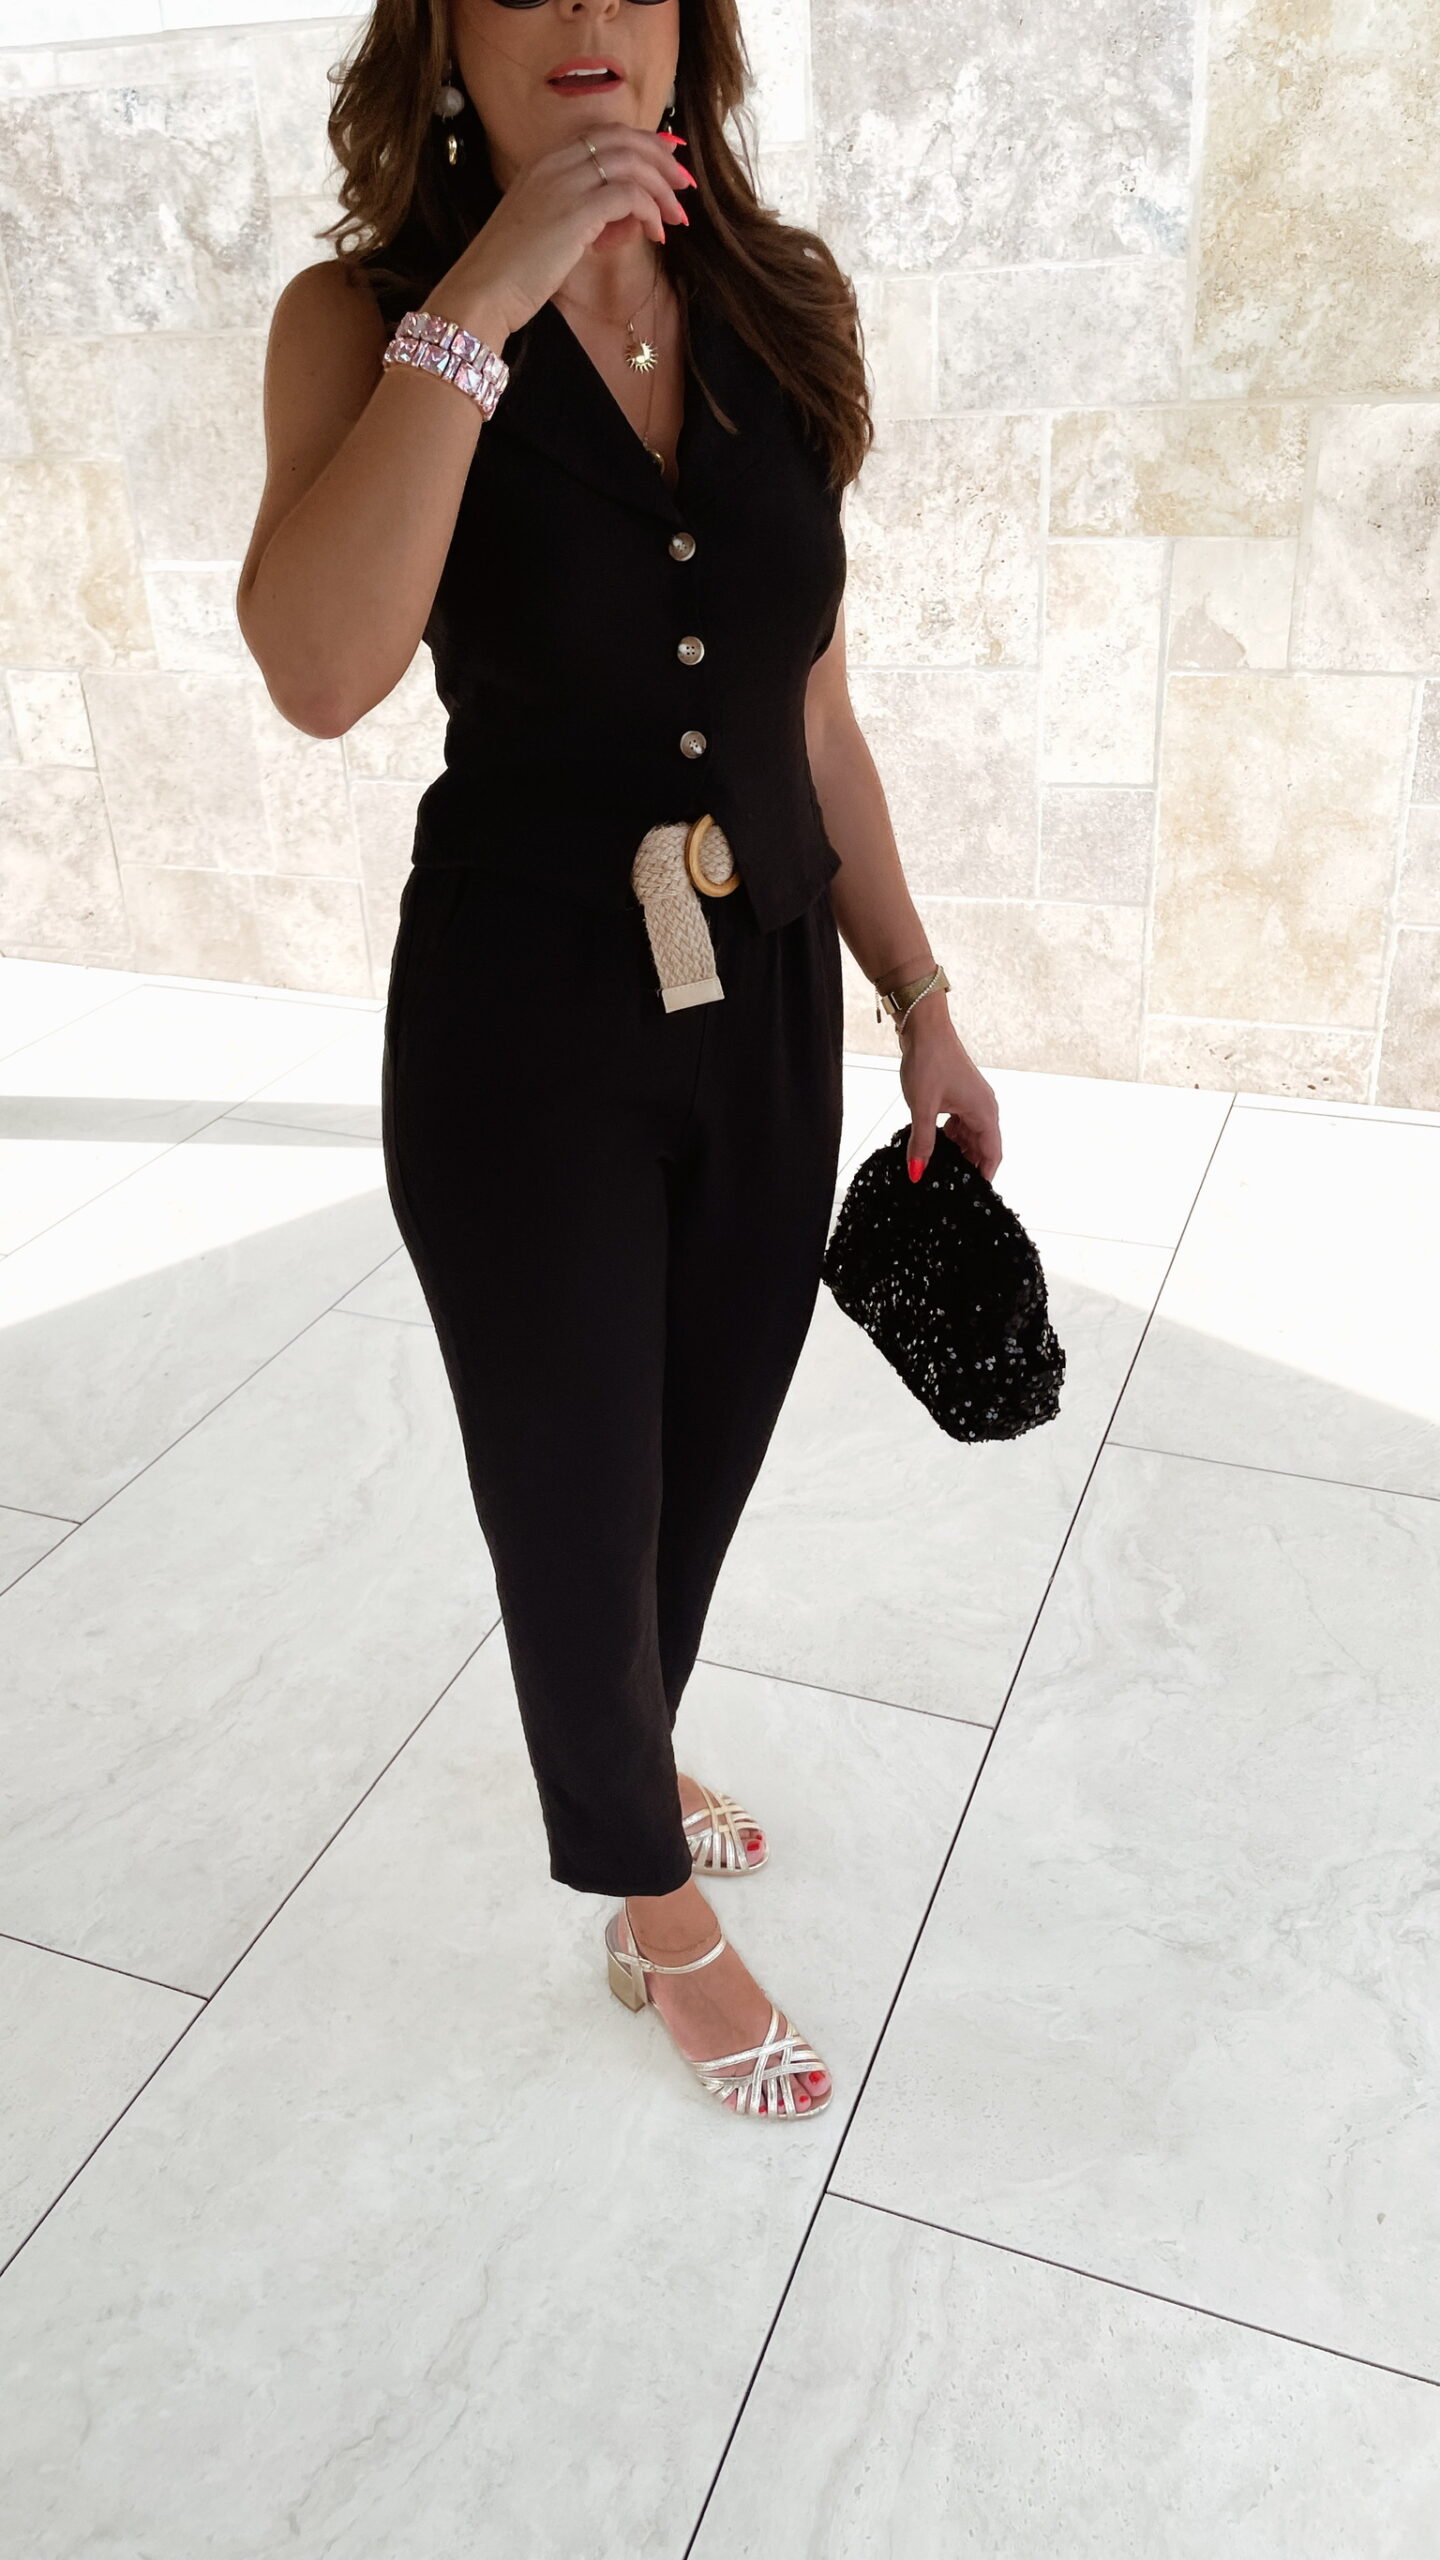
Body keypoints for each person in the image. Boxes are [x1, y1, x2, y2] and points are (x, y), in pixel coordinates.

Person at [237, 0, 1002, 2124]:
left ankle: (632, 1747)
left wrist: (920, 994)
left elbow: (814, 711)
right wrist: (487, 294)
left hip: (765, 1001)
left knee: (701, 1454)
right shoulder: (359, 322)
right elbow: (318, 667)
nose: (586, 14)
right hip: (521, 1025)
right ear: (442, 34)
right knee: (575, 1492)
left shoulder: (784, 306)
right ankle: (650, 1907)